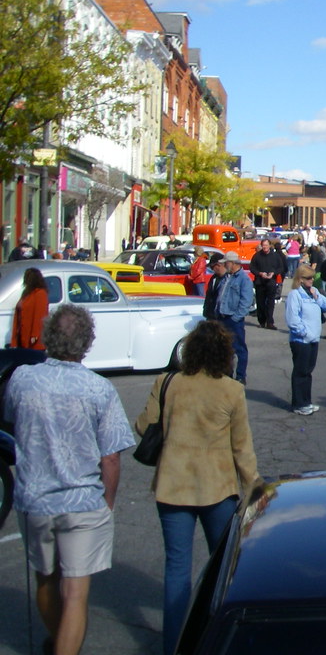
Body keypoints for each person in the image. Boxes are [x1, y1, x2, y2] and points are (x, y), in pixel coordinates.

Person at [4, 304, 134, 655]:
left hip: (36, 498)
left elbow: (10, 420)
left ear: (48, 338)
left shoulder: (22, 379)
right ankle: (65, 645)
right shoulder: (98, 389)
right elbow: (110, 456)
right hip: (82, 500)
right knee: (76, 591)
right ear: (87, 342)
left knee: (44, 578)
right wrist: (108, 501)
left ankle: (58, 639)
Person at [134, 320, 258, 655]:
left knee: (177, 568)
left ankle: (175, 646)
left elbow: (142, 425)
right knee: (222, 568)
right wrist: (255, 489)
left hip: (173, 485)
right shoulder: (232, 390)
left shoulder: (168, 382)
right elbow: (241, 448)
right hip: (217, 487)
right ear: (225, 355)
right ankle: (220, 639)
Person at [285, 264, 326, 415]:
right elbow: (292, 319)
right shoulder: (295, 295)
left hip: (313, 338)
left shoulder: (313, 291)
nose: (311, 280)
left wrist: (317, 297)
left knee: (308, 372)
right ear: (301, 279)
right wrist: (304, 332)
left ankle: (306, 401)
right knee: (300, 372)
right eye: (308, 278)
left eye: (312, 277)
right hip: (301, 340)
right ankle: (298, 403)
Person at [216, 251, 254, 384]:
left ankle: (240, 375)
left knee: (239, 348)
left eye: (225, 262)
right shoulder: (227, 277)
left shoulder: (244, 279)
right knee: (225, 348)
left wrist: (235, 318)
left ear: (232, 263)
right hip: (222, 317)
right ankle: (227, 373)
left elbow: (246, 302)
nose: (224, 265)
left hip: (233, 319)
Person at [10, 267, 49, 350]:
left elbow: (40, 316)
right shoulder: (26, 293)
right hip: (22, 335)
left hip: (33, 340)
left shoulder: (40, 294)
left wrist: (34, 335)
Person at [250, 239, 285, 329]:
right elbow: (252, 268)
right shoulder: (257, 256)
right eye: (263, 245)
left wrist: (274, 273)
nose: (265, 247)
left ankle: (270, 322)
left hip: (271, 282)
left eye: (266, 245)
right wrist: (260, 273)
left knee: (270, 303)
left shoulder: (275, 256)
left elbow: (281, 268)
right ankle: (262, 321)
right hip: (260, 282)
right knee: (260, 302)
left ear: (270, 245)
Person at [202, 254, 227, 320]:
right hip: (211, 314)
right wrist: (206, 310)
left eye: (212, 267)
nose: (212, 269)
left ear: (219, 265)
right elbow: (209, 295)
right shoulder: (213, 278)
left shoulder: (229, 279)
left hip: (223, 315)